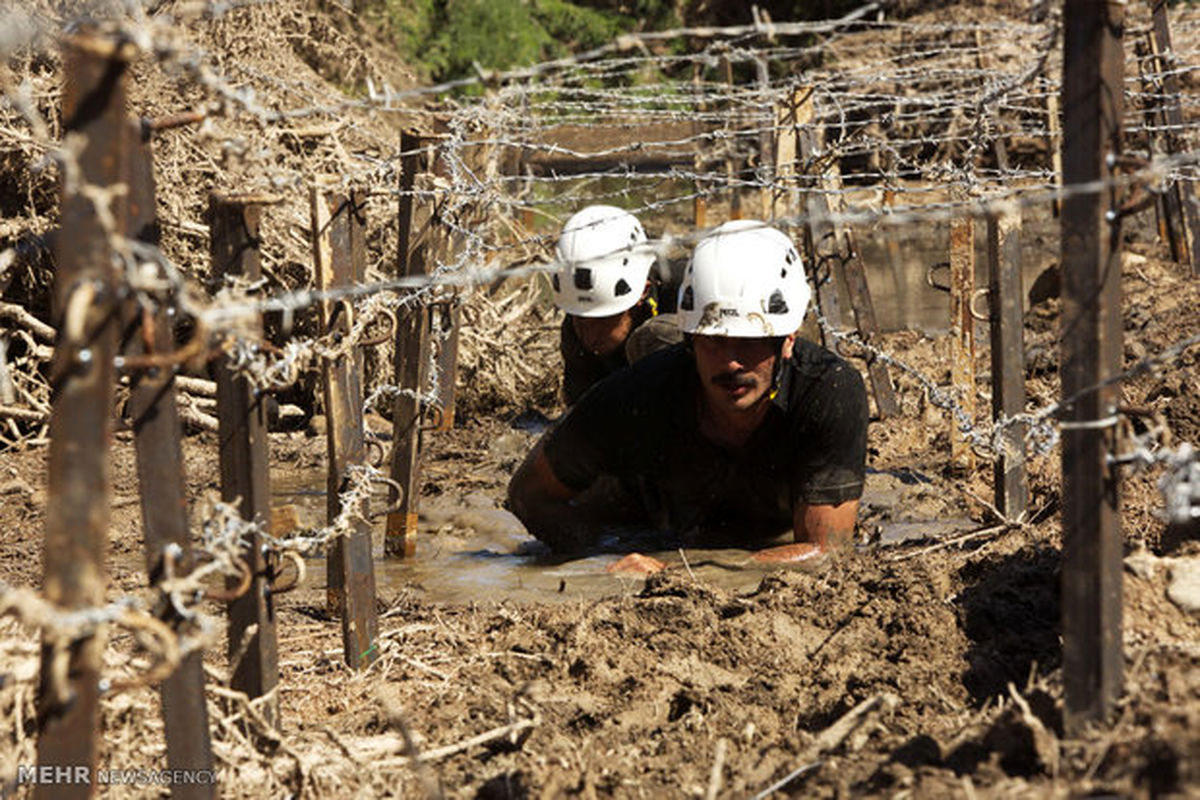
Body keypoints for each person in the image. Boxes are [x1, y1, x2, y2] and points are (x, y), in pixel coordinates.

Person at [509, 219, 869, 565]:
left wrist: (682, 572)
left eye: (750, 343)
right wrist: (596, 556)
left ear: (787, 339)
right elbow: (530, 494)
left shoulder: (828, 392)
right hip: (660, 520)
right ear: (689, 338)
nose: (731, 364)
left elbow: (825, 551)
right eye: (713, 341)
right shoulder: (639, 394)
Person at [552, 204, 682, 405]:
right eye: (581, 321)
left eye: (602, 321)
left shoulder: (685, 295)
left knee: (658, 334)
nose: (589, 337)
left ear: (642, 292)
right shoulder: (576, 328)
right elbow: (583, 413)